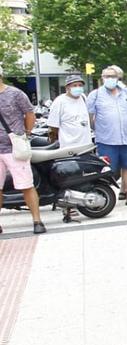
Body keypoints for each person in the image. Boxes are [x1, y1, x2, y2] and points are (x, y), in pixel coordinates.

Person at [87, 65, 127, 205]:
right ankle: (104, 196)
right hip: (106, 139)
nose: (110, 79)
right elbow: (90, 115)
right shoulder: (96, 94)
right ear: (102, 78)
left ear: (118, 78)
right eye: (107, 76)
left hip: (126, 138)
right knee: (106, 170)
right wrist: (94, 130)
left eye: (112, 76)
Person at [0, 63, 46, 234]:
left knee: (26, 184)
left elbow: (30, 114)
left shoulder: (15, 94)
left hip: (14, 148)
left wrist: (25, 132)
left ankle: (37, 221)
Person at [47, 74, 92, 149]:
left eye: (80, 85)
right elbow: (53, 126)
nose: (78, 87)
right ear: (67, 87)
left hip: (85, 145)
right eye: (74, 85)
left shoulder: (83, 98)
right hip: (68, 147)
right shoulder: (60, 101)